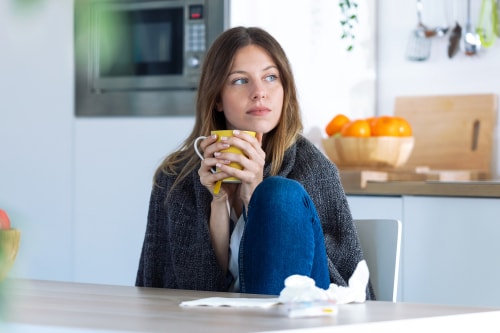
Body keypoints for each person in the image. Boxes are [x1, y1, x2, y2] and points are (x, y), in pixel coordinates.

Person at [136, 26, 374, 298]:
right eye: (240, 81)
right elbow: (190, 289)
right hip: (212, 321)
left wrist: (254, 194)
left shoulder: (313, 168)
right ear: (217, 99)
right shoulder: (175, 178)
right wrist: (218, 202)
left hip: (301, 316)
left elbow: (342, 284)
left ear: (285, 89)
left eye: (271, 77)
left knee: (278, 193)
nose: (259, 92)